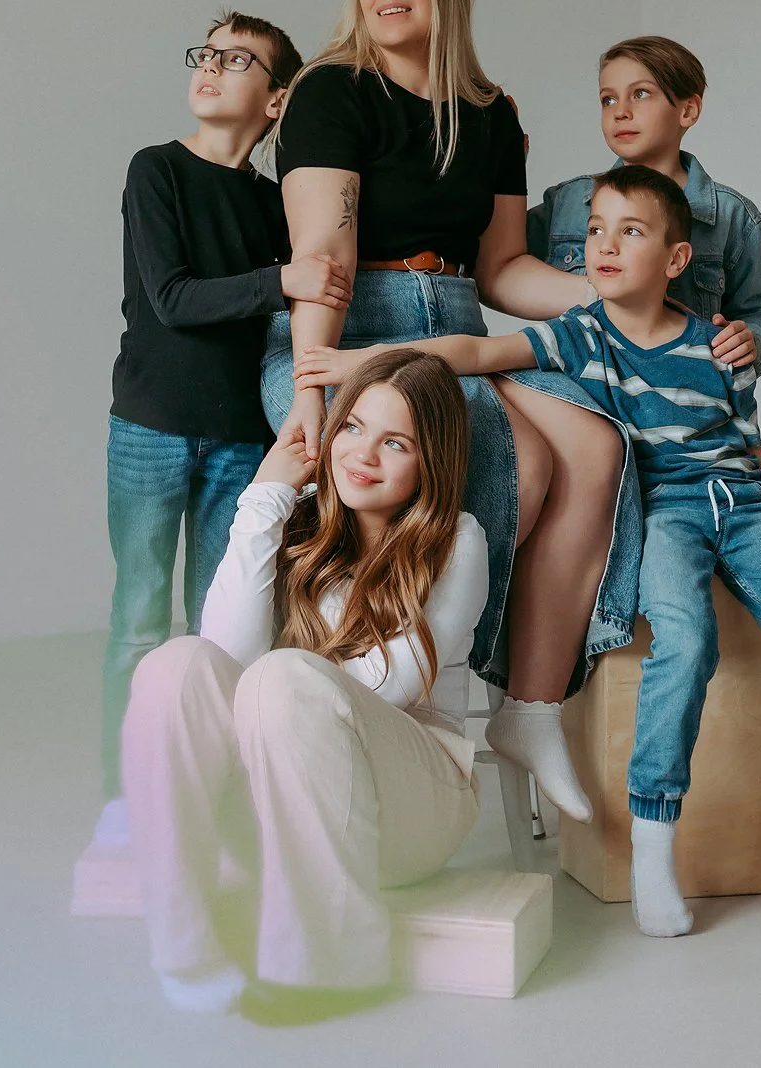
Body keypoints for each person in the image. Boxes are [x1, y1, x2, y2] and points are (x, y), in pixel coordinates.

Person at [297, 165, 761, 937]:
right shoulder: (581, 334)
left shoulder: (717, 346)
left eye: (630, 232)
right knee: (685, 643)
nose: (604, 244)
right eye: (595, 228)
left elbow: (751, 453)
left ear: (675, 261)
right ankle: (654, 848)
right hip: (667, 513)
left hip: (747, 511)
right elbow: (475, 351)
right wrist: (367, 365)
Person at [263, 0, 643, 824]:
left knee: (595, 445)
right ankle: (445, 689)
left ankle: (532, 705)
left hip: (462, 323)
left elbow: (505, 267)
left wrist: (610, 300)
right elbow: (327, 257)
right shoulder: (332, 91)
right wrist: (319, 385)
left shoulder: (493, 113)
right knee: (528, 462)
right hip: (358, 325)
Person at [122, 349, 489, 1018]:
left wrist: (277, 680)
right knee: (175, 666)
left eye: (395, 443)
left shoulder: (457, 542)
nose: (363, 455)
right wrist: (265, 497)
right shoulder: (295, 518)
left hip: (411, 811)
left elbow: (389, 687)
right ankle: (186, 947)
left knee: (284, 676)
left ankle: (329, 966)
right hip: (281, 805)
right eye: (351, 428)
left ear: (429, 460)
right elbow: (222, 658)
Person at [93, 11, 351, 849]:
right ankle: (126, 799)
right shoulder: (156, 170)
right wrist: (281, 279)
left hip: (243, 438)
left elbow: (305, 293)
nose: (211, 68)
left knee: (226, 621)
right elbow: (170, 299)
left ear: (275, 100)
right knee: (139, 618)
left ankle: (207, 794)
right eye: (207, 52)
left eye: (238, 60)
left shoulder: (275, 202)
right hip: (151, 428)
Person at [527, 35, 761, 374]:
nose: (620, 112)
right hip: (580, 403)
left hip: (679, 404)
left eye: (641, 93)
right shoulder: (568, 202)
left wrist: (749, 339)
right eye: (607, 99)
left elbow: (760, 313)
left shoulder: (735, 217)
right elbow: (496, 263)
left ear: (687, 110)